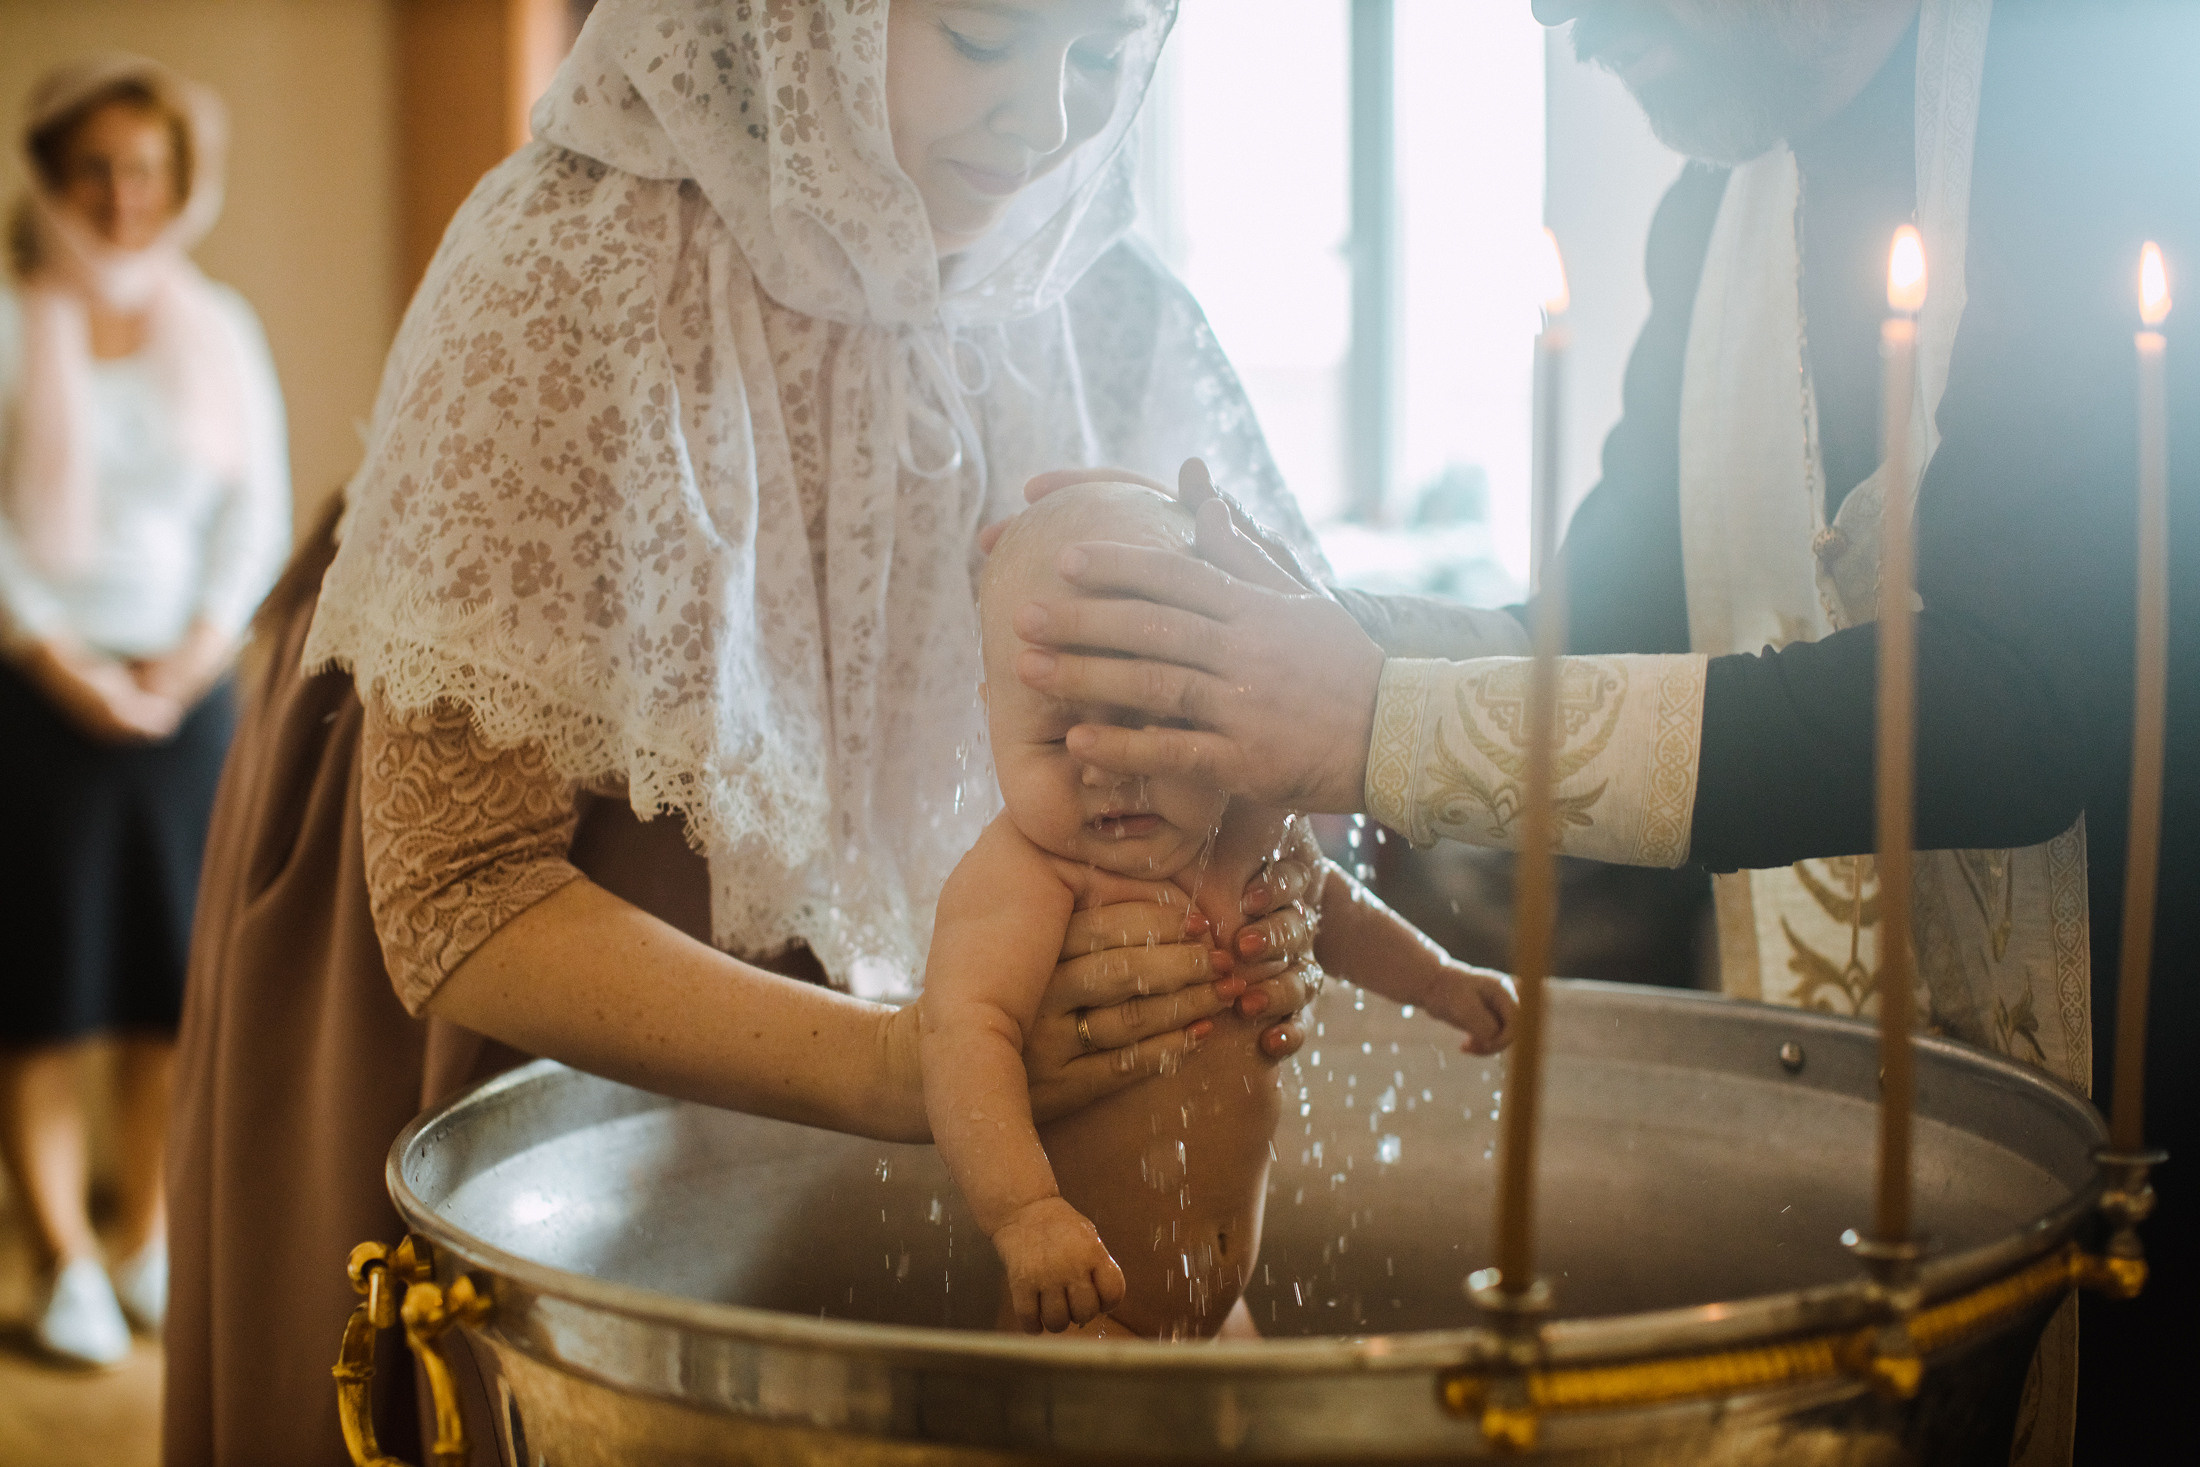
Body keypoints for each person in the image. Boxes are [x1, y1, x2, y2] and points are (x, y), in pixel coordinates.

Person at [1005, 1, 2198, 1459]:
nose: (1556, 15)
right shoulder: (1721, 210)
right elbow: (1590, 628)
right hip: (1896, 1133)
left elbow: (2022, 701)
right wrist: (1266, 633)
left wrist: (1381, 719)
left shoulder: (2117, 89)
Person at [163, 3, 1327, 1462]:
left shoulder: (1102, 293)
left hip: (970, 999)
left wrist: (1263, 868)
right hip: (589, 925)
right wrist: (905, 1069)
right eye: (981, 37)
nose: (1048, 125)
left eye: (1099, 63)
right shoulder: (575, 261)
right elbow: (460, 893)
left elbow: (1265, 723)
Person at [923, 483, 1513, 1340]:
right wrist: (1025, 1215)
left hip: (1224, 1308)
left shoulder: (1252, 820)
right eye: (1057, 738)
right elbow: (960, 1038)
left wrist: (1436, 977)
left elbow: (1333, 908)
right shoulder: (1026, 875)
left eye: (1153, 729)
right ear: (990, 716)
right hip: (1090, 1310)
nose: (1105, 766)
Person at [0, 55, 286, 1369]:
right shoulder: (8, 314)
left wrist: (190, 658)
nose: (125, 194)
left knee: (170, 986)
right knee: (46, 988)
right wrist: (54, 656)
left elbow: (256, 515)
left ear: (183, 183)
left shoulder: (217, 324)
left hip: (186, 699)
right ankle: (60, 1253)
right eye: (99, 168)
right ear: (56, 177)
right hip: (30, 694)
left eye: (149, 169)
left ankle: (147, 1237)